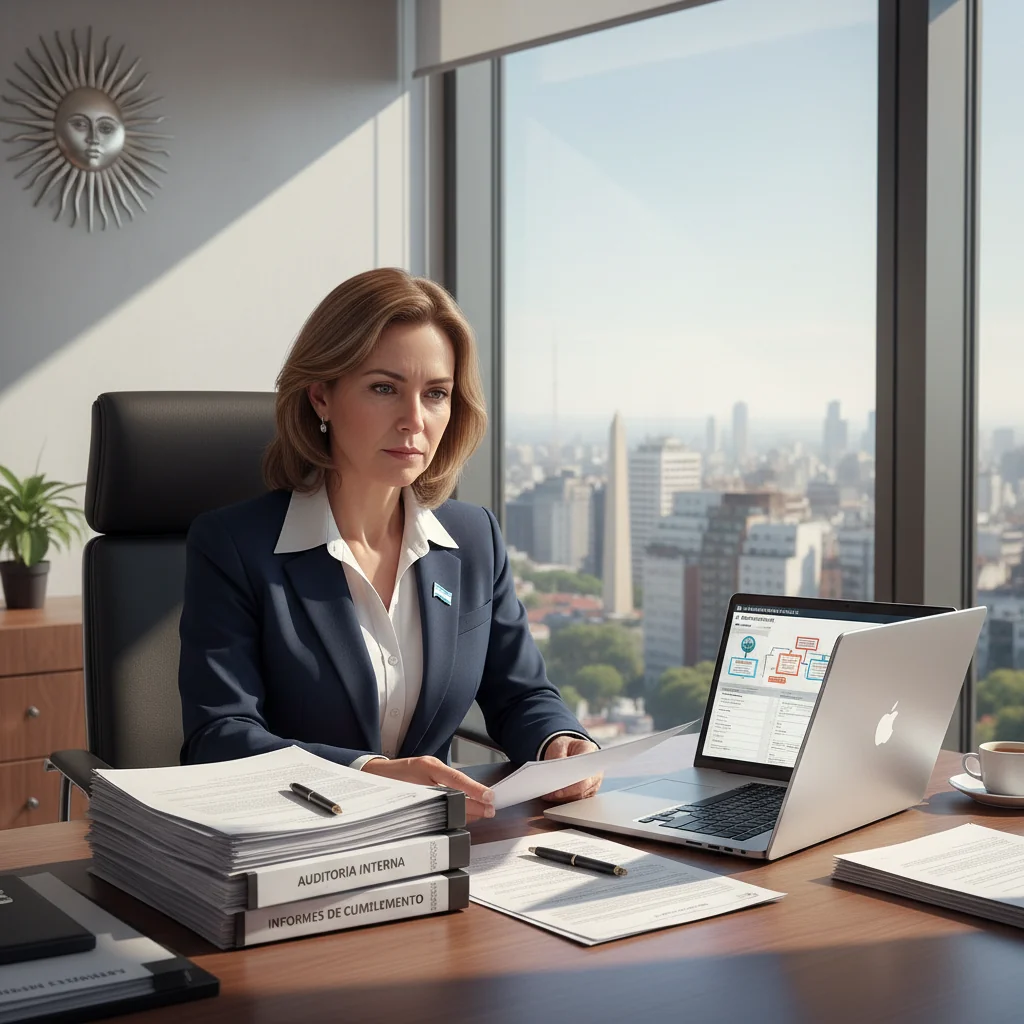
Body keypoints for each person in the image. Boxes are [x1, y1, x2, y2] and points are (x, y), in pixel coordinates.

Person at [178, 268, 600, 820]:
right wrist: (371, 776)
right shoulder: (234, 546)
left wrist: (559, 745)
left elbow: (521, 694)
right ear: (321, 396)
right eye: (384, 389)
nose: (414, 420)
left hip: (440, 848)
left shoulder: (473, 538)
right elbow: (219, 737)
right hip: (292, 846)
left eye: (436, 395)